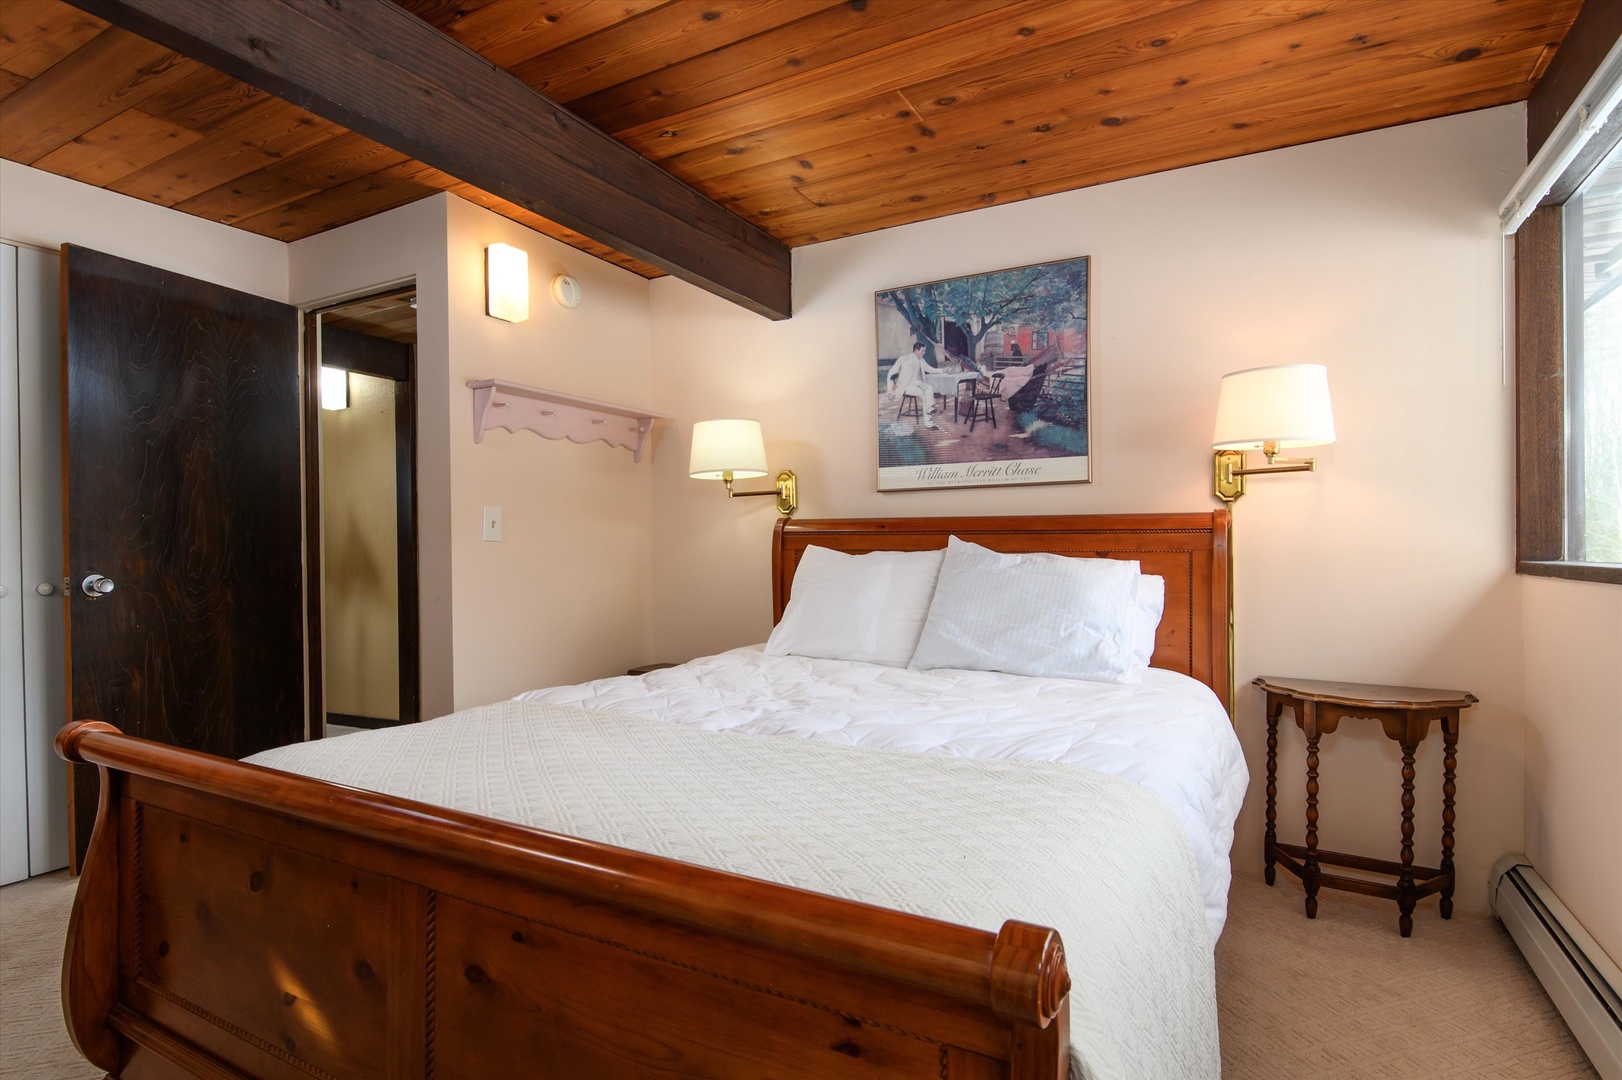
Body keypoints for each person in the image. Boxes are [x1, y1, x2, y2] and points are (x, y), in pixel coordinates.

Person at [886, 341, 944, 429]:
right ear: (916, 350)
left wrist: (943, 370)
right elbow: (891, 373)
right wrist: (890, 391)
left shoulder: (921, 359)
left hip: (918, 382)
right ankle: (928, 420)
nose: (924, 353)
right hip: (906, 386)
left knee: (929, 387)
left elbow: (929, 369)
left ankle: (929, 409)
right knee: (924, 394)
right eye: (922, 351)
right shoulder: (903, 359)